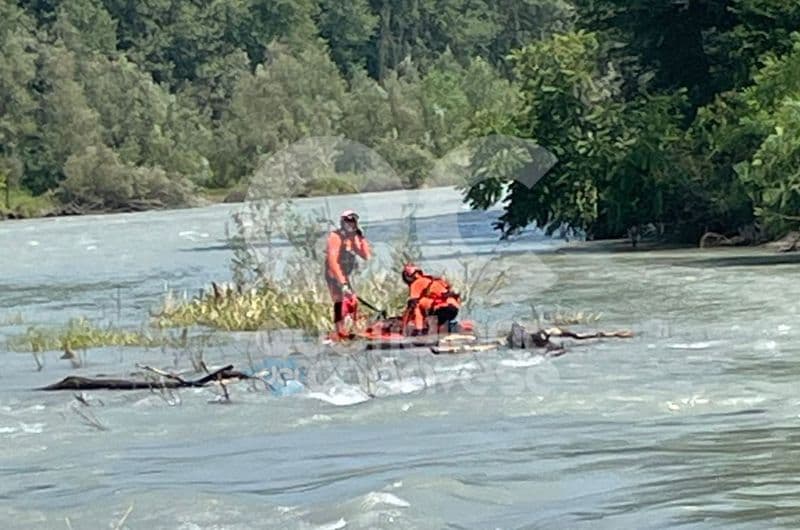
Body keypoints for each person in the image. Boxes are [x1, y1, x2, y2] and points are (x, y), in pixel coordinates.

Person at [325, 209, 371, 338]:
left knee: (352, 301)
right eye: (348, 221)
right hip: (334, 275)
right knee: (340, 302)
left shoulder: (352, 238)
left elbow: (366, 256)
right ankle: (339, 330)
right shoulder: (335, 237)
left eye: (353, 221)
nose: (351, 224)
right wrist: (342, 282)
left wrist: (361, 238)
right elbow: (333, 261)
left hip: (344, 274)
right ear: (342, 222)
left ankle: (353, 328)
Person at [400, 263, 461, 336]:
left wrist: (403, 326)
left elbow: (412, 305)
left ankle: (419, 330)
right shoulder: (432, 280)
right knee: (428, 304)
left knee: (417, 304)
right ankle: (450, 326)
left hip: (441, 310)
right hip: (454, 308)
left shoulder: (416, 283)